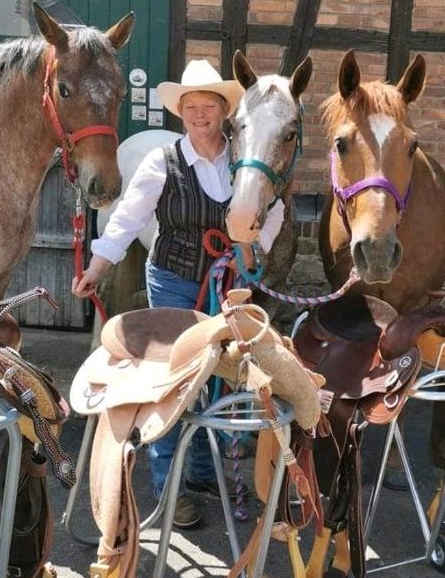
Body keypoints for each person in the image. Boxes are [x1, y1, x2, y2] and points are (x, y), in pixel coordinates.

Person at [72, 59, 285, 529]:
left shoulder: (243, 158)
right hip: (173, 279)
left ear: (224, 110)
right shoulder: (162, 161)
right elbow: (127, 218)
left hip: (231, 284)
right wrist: (98, 266)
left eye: (209, 105)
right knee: (172, 384)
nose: (200, 113)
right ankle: (169, 482)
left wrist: (253, 249)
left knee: (221, 377)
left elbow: (276, 207)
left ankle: (205, 472)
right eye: (191, 106)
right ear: (181, 112)